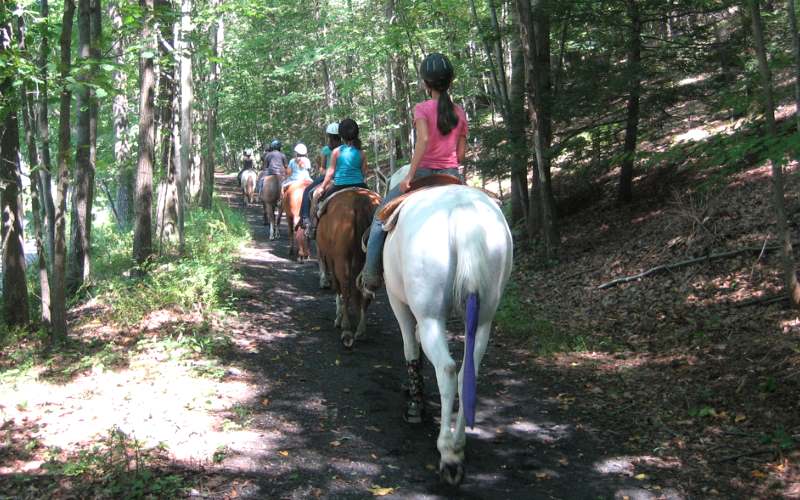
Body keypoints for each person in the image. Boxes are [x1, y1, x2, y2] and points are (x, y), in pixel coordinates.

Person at [359, 53, 468, 295]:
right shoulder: (459, 112)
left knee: (380, 218)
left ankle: (371, 274)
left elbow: (424, 140)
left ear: (425, 84)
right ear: (450, 82)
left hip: (424, 173)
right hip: (452, 176)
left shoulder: (422, 109)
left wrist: (410, 175)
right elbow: (460, 156)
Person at [300, 123, 340, 229]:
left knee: (308, 190)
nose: (331, 140)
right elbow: (323, 167)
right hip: (335, 176)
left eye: (332, 137)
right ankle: (305, 217)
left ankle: (305, 218)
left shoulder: (330, 150)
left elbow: (322, 168)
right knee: (307, 190)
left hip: (333, 176)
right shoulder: (338, 149)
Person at [318, 118, 369, 197]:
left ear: (341, 136)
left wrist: (322, 187)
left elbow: (330, 172)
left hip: (339, 185)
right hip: (359, 184)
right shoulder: (362, 153)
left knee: (322, 203)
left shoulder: (336, 152)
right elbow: (364, 173)